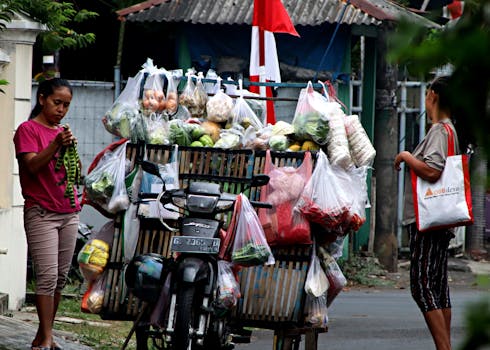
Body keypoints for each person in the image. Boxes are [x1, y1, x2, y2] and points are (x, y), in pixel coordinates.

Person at [394, 76, 461, 350]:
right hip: (440, 222)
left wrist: (406, 156)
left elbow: (433, 171)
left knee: (422, 286)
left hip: (428, 222)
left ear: (432, 94)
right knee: (438, 287)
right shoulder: (449, 130)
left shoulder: (439, 131)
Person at [13, 78, 80, 350]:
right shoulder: (27, 130)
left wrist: (67, 146)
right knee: (47, 276)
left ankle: (43, 337)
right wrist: (55, 146)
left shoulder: (61, 131)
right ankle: (48, 338)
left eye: (66, 105)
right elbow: (31, 167)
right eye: (57, 103)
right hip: (41, 212)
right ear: (42, 99)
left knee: (61, 279)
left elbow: (71, 172)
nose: (61, 110)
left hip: (69, 212)